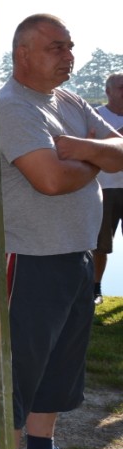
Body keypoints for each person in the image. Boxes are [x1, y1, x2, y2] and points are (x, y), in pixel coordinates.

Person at [0, 14, 123, 449]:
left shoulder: (68, 100)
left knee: (59, 367)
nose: (69, 56)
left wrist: (82, 149)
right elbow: (49, 180)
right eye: (57, 47)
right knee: (20, 369)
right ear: (23, 54)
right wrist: (96, 159)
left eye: (70, 46)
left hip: (76, 253)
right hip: (29, 257)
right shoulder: (11, 107)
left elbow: (121, 148)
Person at [92, 72, 123, 305]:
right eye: (122, 88)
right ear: (108, 91)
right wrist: (118, 137)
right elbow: (89, 148)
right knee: (100, 244)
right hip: (104, 189)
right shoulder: (96, 116)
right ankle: (95, 289)